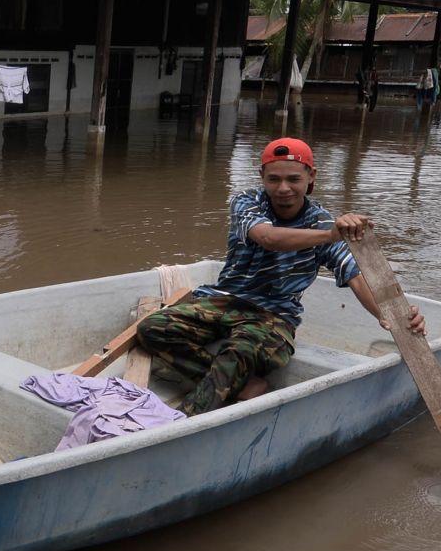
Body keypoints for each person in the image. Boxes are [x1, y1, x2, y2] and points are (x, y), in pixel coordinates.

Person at [134, 137, 425, 417]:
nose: (283, 188)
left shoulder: (322, 221)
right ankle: (245, 385)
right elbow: (268, 237)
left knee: (240, 351)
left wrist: (391, 316)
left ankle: (186, 419)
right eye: (274, 179)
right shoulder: (247, 202)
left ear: (311, 177)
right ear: (262, 176)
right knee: (153, 328)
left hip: (274, 316)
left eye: (293, 179)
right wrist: (328, 236)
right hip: (225, 301)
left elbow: (355, 276)